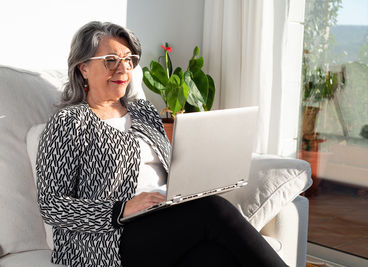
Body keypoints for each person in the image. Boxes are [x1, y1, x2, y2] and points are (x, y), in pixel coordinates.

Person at [36, 21, 289, 267]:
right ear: (83, 68)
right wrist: (121, 209)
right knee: (212, 210)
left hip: (163, 218)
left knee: (214, 256)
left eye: (128, 59)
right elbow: (51, 205)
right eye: (111, 60)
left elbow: (169, 169)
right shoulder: (68, 122)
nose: (123, 69)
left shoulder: (144, 111)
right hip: (109, 238)